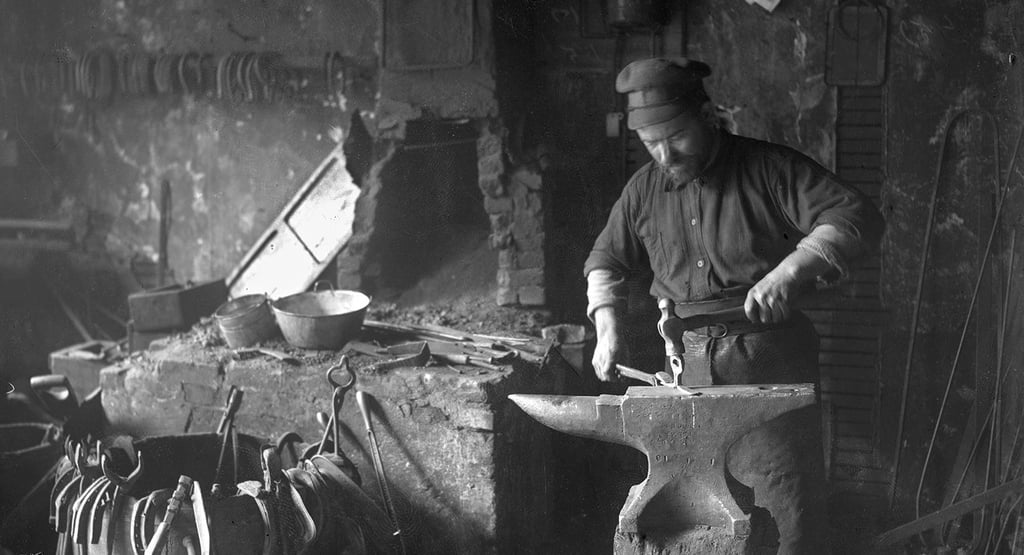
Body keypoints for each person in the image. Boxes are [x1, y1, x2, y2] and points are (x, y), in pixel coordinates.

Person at [584, 57, 884, 554]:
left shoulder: (769, 167)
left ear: (706, 116)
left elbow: (854, 215)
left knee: (784, 506)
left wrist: (789, 272)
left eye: (675, 136)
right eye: (650, 142)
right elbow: (605, 260)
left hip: (768, 357)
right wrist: (607, 327)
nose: (664, 153)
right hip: (684, 368)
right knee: (697, 512)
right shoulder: (643, 189)